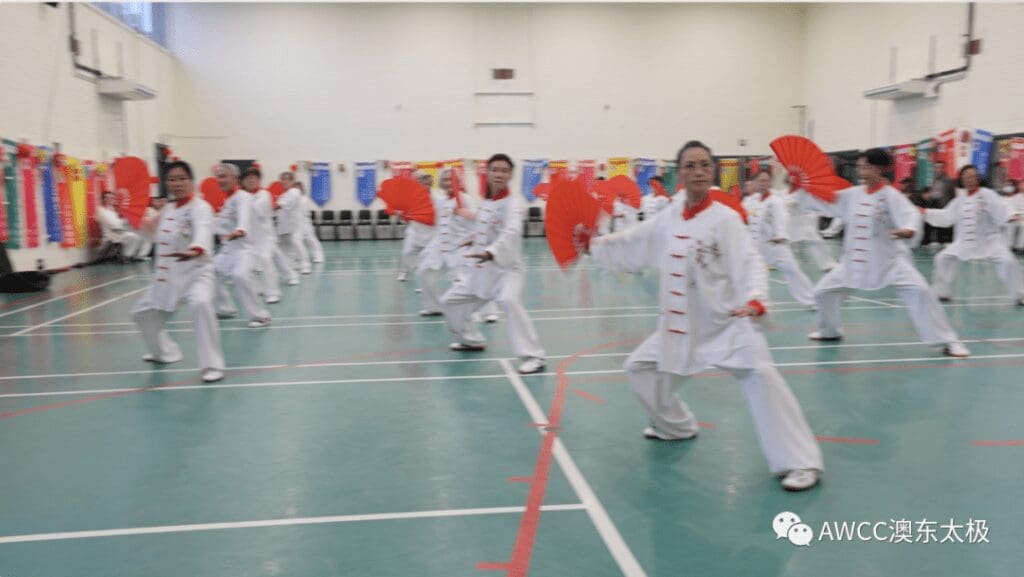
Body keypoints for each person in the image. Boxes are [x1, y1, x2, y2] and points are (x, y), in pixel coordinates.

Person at [584, 140, 823, 491]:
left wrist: (755, 300)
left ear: (711, 172)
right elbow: (635, 240)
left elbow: (750, 260)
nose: (698, 172)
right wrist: (594, 245)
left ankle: (801, 463)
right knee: (639, 367)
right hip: (679, 327)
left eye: (704, 166)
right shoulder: (669, 215)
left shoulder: (725, 219)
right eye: (691, 166)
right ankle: (676, 426)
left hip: (726, 322)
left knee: (762, 378)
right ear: (680, 173)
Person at [796, 148, 970, 357]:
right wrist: (802, 189)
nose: (861, 170)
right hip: (853, 263)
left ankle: (948, 341)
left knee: (922, 292)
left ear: (878, 169)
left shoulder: (890, 196)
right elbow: (827, 201)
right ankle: (829, 330)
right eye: (860, 166)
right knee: (822, 293)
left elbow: (910, 214)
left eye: (865, 166)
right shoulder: (852, 194)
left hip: (889, 262)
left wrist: (908, 229)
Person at [440, 154, 545, 374]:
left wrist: (490, 251)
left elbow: (511, 231)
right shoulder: (488, 202)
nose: (499, 174)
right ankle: (470, 339)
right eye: (495, 170)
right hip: (481, 272)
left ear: (510, 175)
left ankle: (534, 356)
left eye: (504, 170)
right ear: (487, 173)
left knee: (508, 301)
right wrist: (473, 240)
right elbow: (483, 227)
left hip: (507, 271)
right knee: (449, 301)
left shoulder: (513, 205)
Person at [131, 160, 225, 383]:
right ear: (166, 184)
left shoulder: (201, 208)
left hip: (196, 273)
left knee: (201, 304)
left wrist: (195, 249)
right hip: (167, 277)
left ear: (191, 181)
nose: (177, 183)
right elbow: (153, 235)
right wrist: (136, 222)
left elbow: (203, 231)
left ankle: (213, 366)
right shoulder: (167, 209)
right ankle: (165, 352)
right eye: (172, 179)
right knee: (141, 314)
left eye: (182, 178)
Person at [922, 165, 1024, 306]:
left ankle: (1019, 295)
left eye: (973, 176)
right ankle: (942, 292)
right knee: (942, 258)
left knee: (1008, 261)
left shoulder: (988, 194)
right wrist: (925, 212)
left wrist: (1010, 215)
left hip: (990, 240)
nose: (970, 179)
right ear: (962, 180)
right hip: (963, 242)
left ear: (978, 178)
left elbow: (1002, 207)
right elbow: (946, 216)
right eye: (967, 177)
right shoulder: (959, 201)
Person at [742, 172, 817, 307]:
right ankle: (753, 302)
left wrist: (780, 234)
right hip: (755, 247)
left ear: (770, 183)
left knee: (792, 271)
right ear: (755, 183)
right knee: (749, 274)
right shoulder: (750, 200)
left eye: (766, 181)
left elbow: (782, 219)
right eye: (760, 181)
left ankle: (812, 300)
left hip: (774, 245)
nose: (763, 184)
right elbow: (742, 218)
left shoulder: (776, 201)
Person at [212, 163, 270, 328]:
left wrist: (240, 229)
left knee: (240, 275)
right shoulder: (228, 200)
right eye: (218, 176)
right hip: (227, 250)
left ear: (236, 178)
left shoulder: (242, 197)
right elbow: (219, 225)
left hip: (245, 249)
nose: (220, 180)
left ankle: (260, 316)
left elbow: (243, 216)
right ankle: (225, 309)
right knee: (211, 272)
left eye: (224, 176)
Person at [414, 167, 474, 316]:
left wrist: (473, 240)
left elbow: (477, 220)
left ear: (458, 182)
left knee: (468, 281)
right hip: (440, 246)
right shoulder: (440, 201)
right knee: (423, 272)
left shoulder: (465, 199)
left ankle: (485, 313)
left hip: (461, 247)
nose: (448, 183)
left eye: (451, 179)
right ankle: (434, 307)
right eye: (444, 180)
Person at [242, 167, 299, 303]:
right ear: (243, 181)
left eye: (254, 178)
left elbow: (260, 211)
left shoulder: (264, 194)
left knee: (265, 260)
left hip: (265, 237)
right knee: (274, 258)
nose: (251, 180)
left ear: (259, 180)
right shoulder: (241, 196)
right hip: (249, 238)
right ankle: (290, 275)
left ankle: (273, 293)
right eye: (248, 178)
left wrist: (243, 201)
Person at [396, 170, 437, 282]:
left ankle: (425, 280)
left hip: (430, 232)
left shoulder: (436, 198)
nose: (425, 184)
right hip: (414, 231)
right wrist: (401, 214)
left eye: (427, 183)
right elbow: (403, 212)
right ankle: (404, 272)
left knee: (427, 257)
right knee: (407, 252)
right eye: (421, 181)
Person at [275, 171, 312, 274]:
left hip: (295, 225)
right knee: (284, 247)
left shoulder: (294, 192)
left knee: (297, 243)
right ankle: (291, 265)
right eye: (282, 179)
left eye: (287, 179)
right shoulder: (283, 194)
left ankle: (305, 265)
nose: (284, 181)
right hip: (284, 226)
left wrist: (273, 207)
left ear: (292, 181)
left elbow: (284, 205)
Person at [94, 191, 144, 263]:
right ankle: (125, 256)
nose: (111, 199)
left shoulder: (112, 210)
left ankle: (132, 255)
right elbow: (113, 225)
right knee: (133, 237)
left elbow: (119, 222)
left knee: (138, 233)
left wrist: (126, 221)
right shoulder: (101, 210)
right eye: (108, 198)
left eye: (112, 198)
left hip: (118, 232)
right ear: (103, 199)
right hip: (111, 235)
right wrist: (124, 223)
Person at [295, 181, 325, 264]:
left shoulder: (304, 199)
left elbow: (303, 211)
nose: (297, 190)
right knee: (296, 241)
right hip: (295, 224)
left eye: (298, 188)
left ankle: (318, 256)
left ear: (302, 189)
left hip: (305, 223)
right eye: (295, 188)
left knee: (311, 240)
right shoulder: (293, 199)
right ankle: (299, 257)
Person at [1002, 180, 1024, 253]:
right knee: (1011, 223)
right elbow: (1009, 209)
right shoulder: (1003, 198)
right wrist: (1013, 215)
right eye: (1006, 185)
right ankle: (1009, 246)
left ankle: (1020, 247)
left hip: (1020, 218)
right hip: (1011, 218)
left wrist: (1018, 216)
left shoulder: (1017, 197)